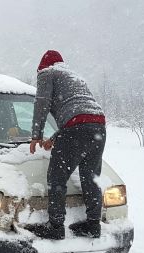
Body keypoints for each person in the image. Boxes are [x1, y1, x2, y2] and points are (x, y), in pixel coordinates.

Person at [24, 50, 107, 240]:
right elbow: (79, 112)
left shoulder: (47, 73)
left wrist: (36, 135)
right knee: (91, 177)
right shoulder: (75, 77)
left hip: (76, 128)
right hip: (98, 127)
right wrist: (53, 138)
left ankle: (55, 226)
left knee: (57, 177)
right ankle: (93, 225)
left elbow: (42, 103)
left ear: (41, 67)